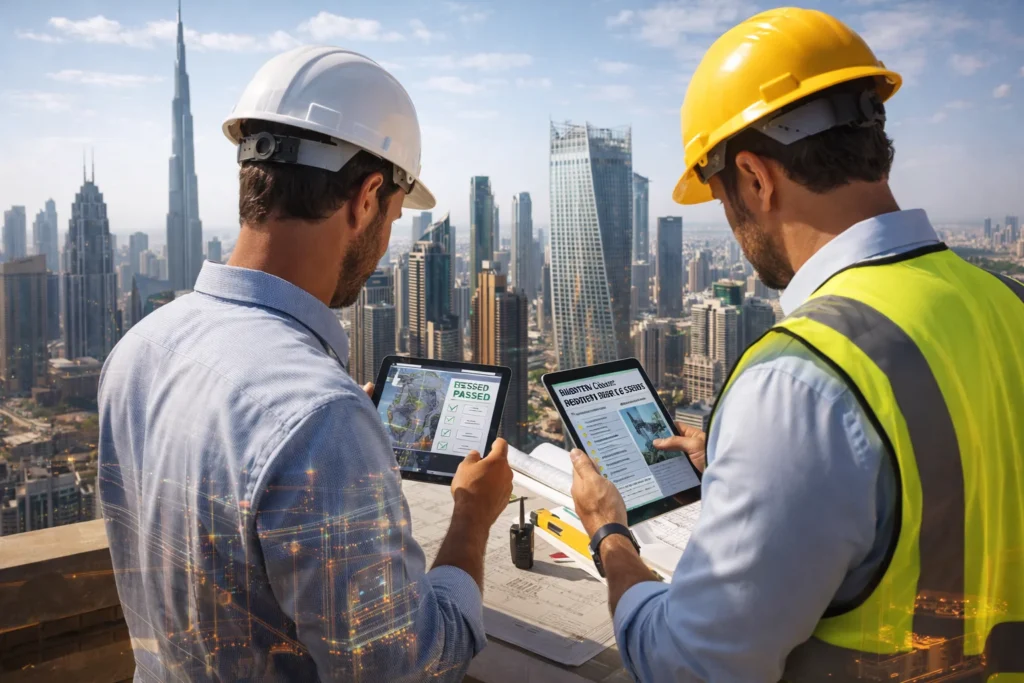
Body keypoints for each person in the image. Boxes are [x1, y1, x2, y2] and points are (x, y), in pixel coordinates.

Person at [569, 8, 1024, 682]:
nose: (731, 223)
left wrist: (610, 534)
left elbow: (685, 667)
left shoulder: (800, 379)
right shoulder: (1003, 305)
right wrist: (746, 455)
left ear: (755, 176)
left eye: (722, 196)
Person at [98, 46, 513, 682]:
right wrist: (470, 519)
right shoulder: (320, 418)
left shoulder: (139, 349)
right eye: (396, 215)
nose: (386, 243)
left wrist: (340, 451)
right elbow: (410, 668)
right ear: (368, 196)